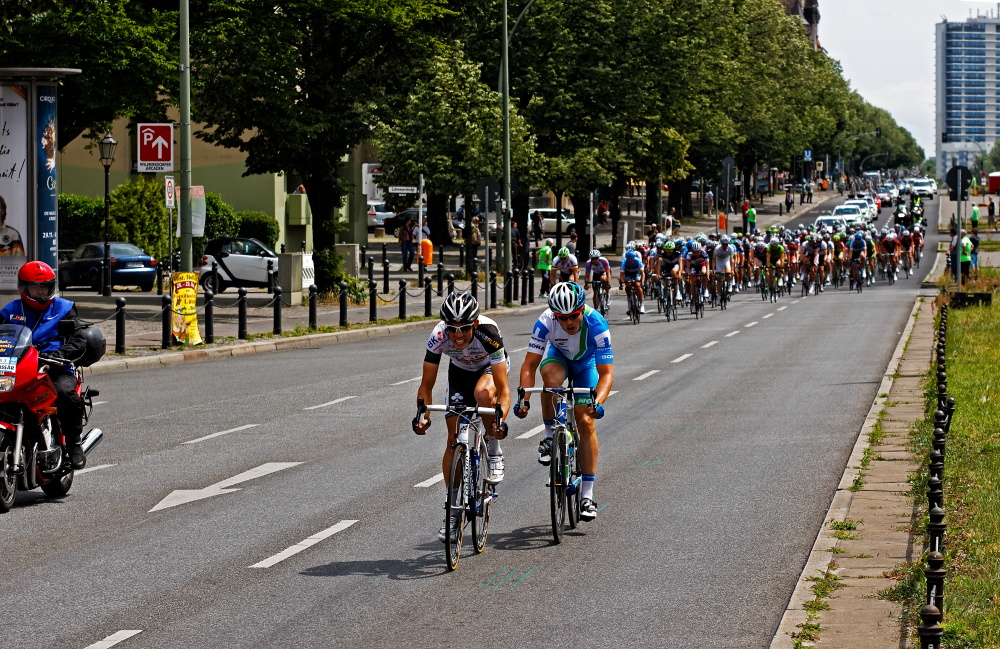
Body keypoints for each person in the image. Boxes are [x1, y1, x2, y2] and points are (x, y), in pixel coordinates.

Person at [413, 292, 510, 541]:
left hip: (489, 369)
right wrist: (422, 415)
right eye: (452, 328)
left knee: (482, 394)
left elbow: (504, 389)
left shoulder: (488, 332)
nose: (457, 335)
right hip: (460, 372)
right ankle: (453, 511)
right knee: (453, 438)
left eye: (464, 328)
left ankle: (495, 450)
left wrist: (500, 422)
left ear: (474, 324)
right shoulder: (438, 335)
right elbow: (426, 384)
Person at [514, 282, 613, 522]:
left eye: (573, 316)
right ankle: (550, 436)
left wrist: (597, 402)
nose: (569, 322)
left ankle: (587, 496)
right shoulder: (545, 322)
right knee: (550, 381)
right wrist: (524, 397)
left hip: (586, 365)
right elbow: (529, 365)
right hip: (558, 358)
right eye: (562, 317)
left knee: (585, 421)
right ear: (554, 315)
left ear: (582, 309)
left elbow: (607, 374)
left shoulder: (597, 323)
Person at [0, 262, 88, 469]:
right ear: (23, 287)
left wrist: (57, 356)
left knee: (66, 394)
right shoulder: (9, 311)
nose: (41, 292)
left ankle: (74, 444)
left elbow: (79, 339)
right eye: (36, 287)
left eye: (45, 287)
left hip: (55, 367)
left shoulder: (64, 308)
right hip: (19, 368)